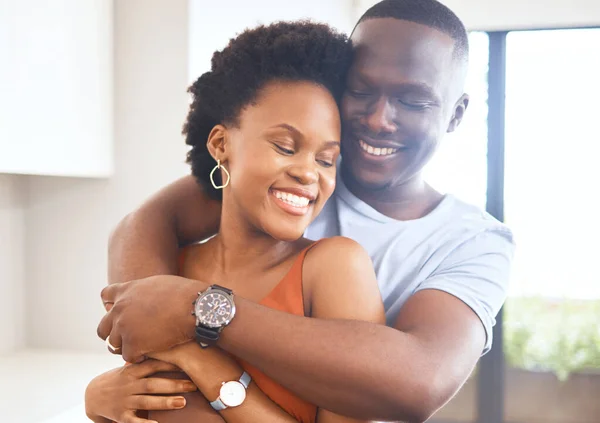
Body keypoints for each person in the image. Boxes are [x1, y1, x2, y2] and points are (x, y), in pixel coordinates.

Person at [98, 0, 515, 422]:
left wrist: (199, 311)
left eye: (412, 101)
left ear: (455, 114)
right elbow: (145, 224)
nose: (378, 119)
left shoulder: (473, 241)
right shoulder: (283, 181)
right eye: (361, 91)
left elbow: (420, 379)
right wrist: (146, 365)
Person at [86, 20, 385, 423]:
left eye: (326, 159)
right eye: (285, 146)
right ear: (221, 144)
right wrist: (100, 403)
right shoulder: (165, 273)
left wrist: (211, 370)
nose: (309, 173)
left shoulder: (334, 267)